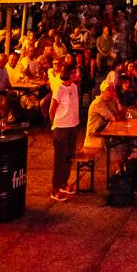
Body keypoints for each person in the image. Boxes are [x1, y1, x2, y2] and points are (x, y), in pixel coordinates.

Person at [50, 65, 81, 201]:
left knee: (69, 157)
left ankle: (64, 183)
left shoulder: (73, 87)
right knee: (60, 159)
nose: (76, 74)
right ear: (67, 74)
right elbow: (52, 108)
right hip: (61, 128)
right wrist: (54, 123)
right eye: (73, 72)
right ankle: (55, 188)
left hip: (73, 125)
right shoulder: (60, 89)